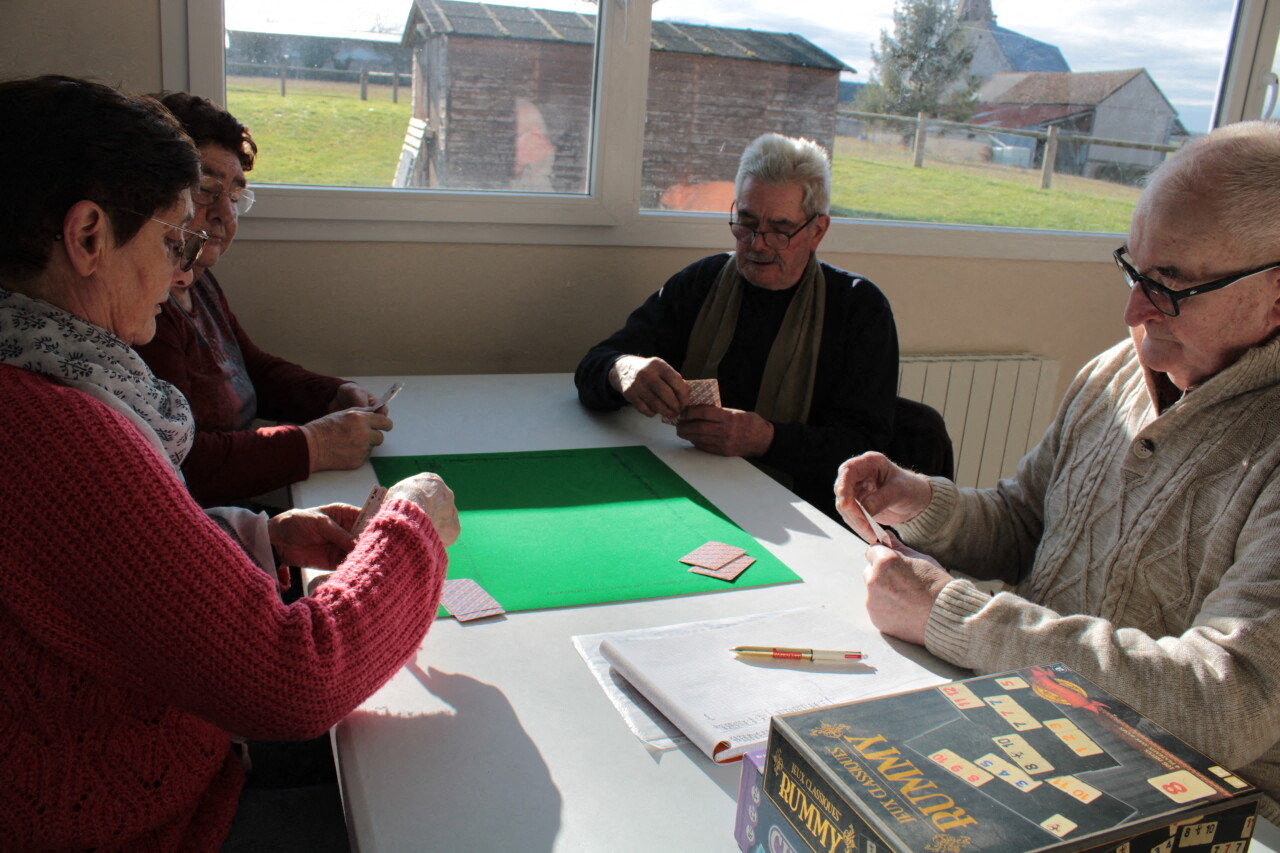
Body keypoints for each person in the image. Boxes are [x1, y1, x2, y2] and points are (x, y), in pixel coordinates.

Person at [0, 75, 459, 850]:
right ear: (88, 237)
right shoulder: (57, 428)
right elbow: (296, 679)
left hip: (166, 758)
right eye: (172, 239)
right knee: (443, 807)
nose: (185, 270)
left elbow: (101, 568)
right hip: (163, 820)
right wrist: (410, 529)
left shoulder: (42, 383)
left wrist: (259, 538)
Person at [836, 121, 1280, 820]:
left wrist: (952, 614)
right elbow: (1026, 521)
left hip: (1193, 806)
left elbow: (1225, 700)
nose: (1132, 309)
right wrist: (920, 503)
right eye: (1134, 270)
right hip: (1041, 741)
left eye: (1169, 285)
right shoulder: (1117, 371)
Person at [575, 133, 900, 518]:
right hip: (690, 493)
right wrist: (623, 370)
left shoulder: (859, 308)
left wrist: (766, 440)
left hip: (804, 513)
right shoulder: (702, 283)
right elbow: (593, 367)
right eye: (746, 223)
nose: (757, 244)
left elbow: (867, 453)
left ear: (817, 231)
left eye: (779, 230)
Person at [134, 91, 389, 508]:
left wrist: (332, 393)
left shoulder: (198, 281)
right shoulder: (144, 312)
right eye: (204, 189)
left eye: (233, 196)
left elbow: (251, 369)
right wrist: (313, 445)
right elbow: (184, 463)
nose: (225, 213)